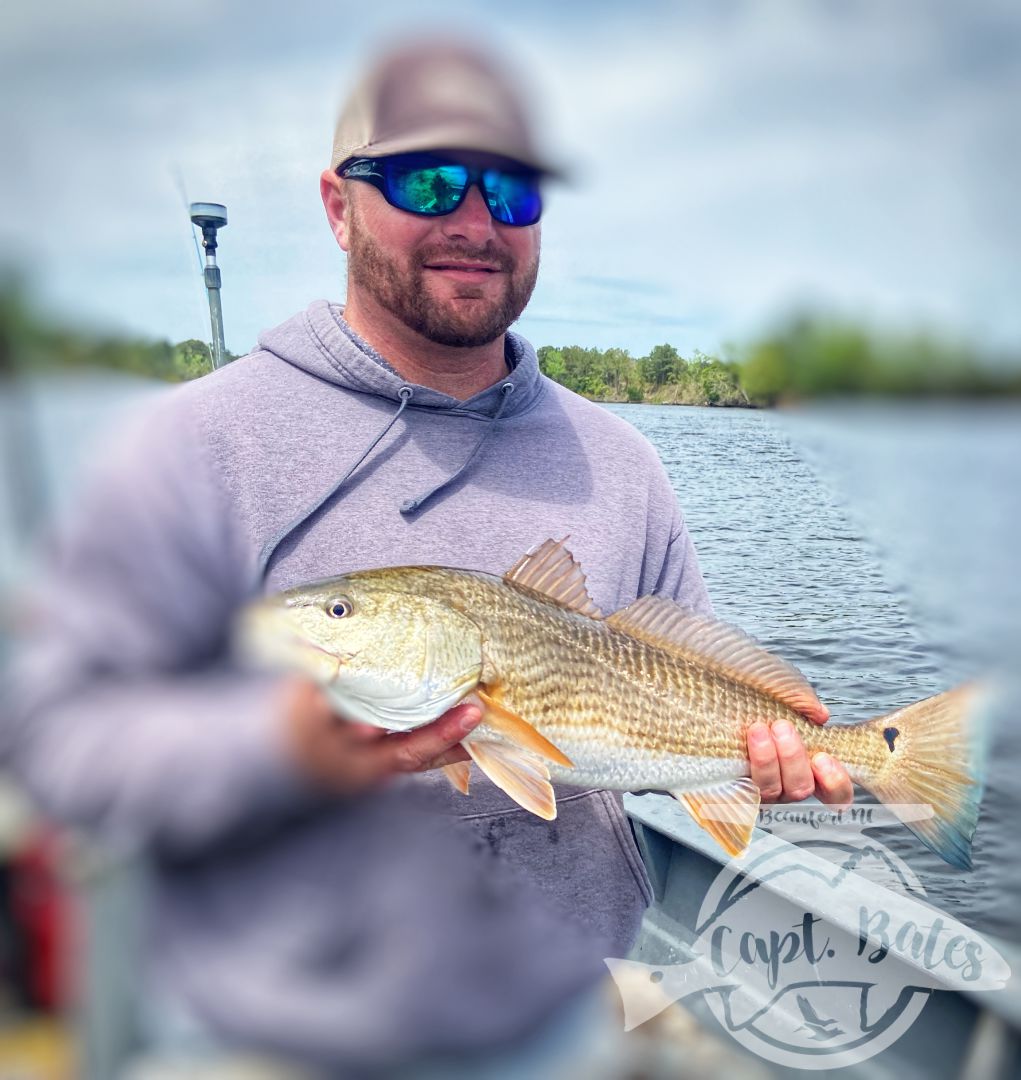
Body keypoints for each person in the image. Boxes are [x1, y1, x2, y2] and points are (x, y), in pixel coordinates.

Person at [3, 39, 852, 1076]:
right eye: (426, 178)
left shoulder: (624, 463)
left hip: (569, 1017)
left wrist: (761, 762)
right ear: (336, 204)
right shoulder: (192, 443)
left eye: (510, 186)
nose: (474, 221)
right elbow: (57, 737)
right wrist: (279, 749)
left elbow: (675, 702)